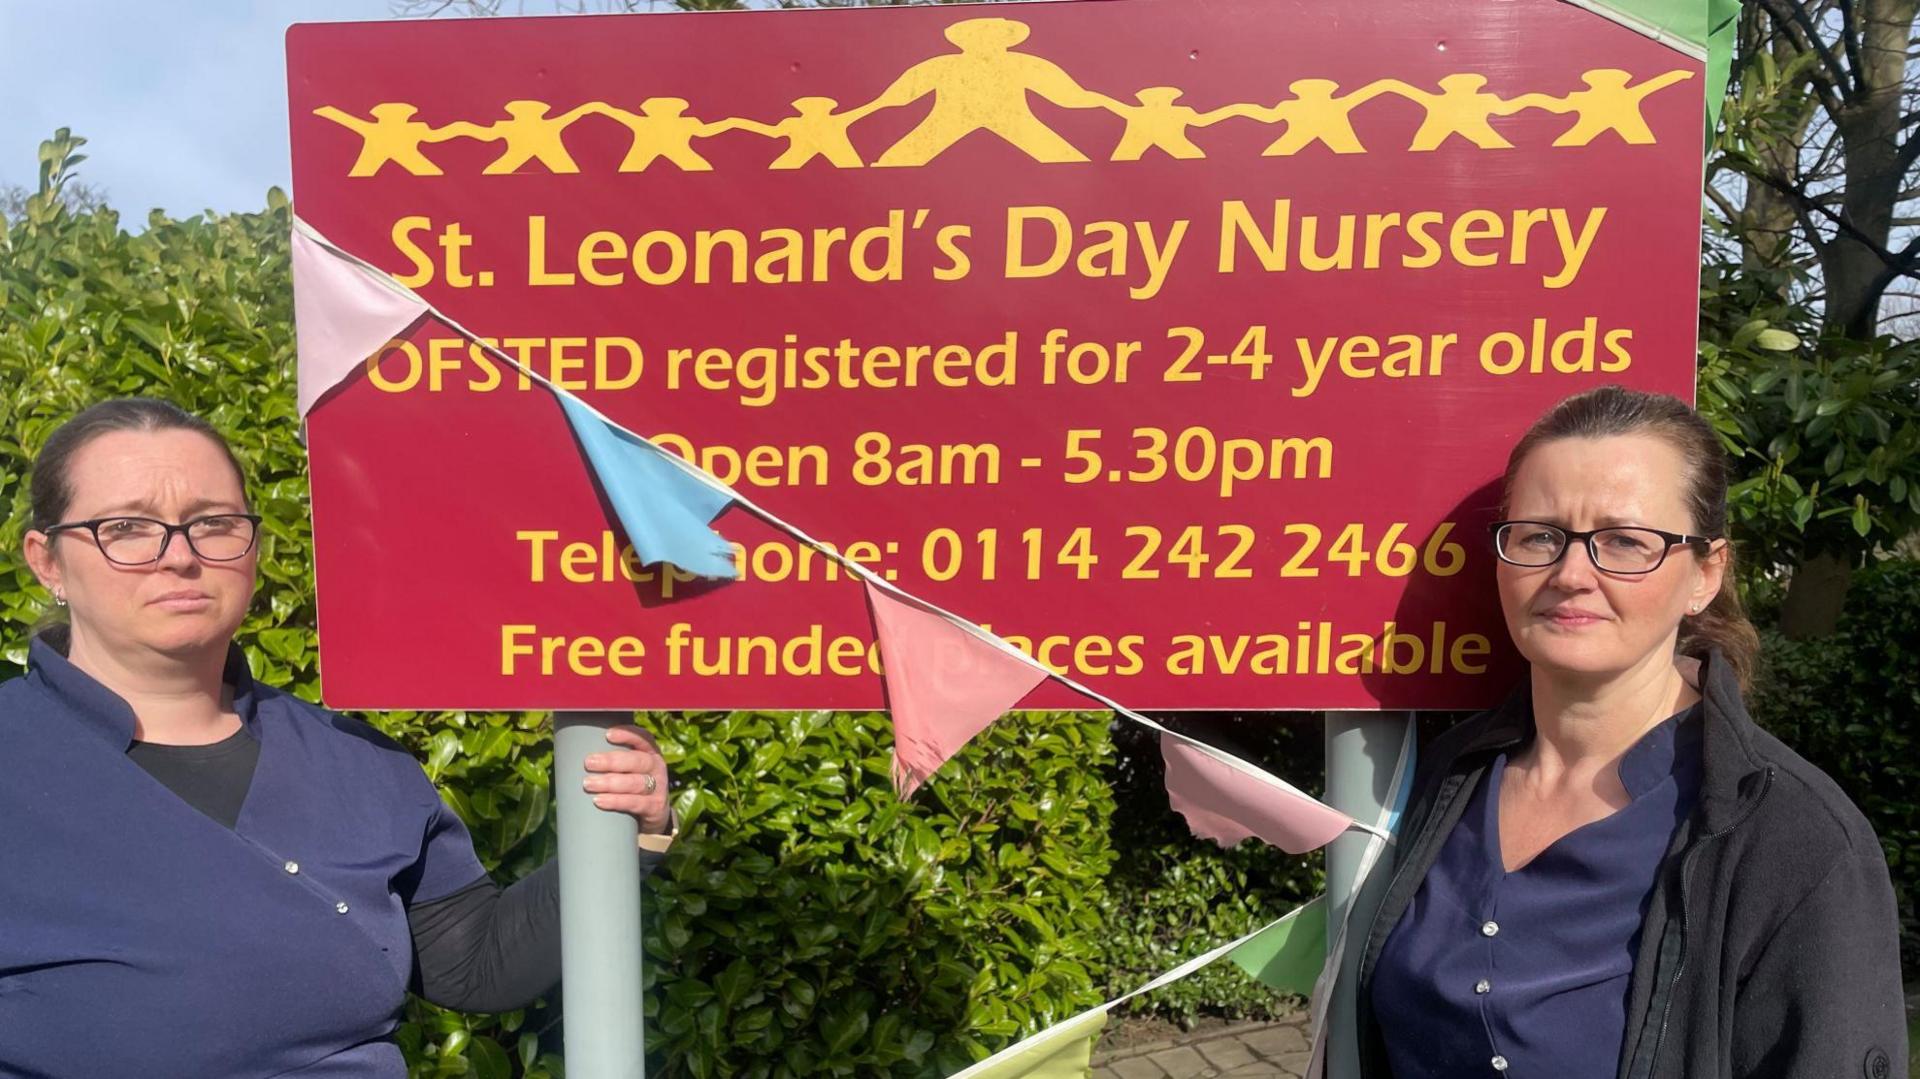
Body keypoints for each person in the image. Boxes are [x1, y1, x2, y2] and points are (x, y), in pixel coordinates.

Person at [0, 398, 676, 1078]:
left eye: (213, 523)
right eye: (127, 527)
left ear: (254, 547)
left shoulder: (353, 759)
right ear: (48, 560)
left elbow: (475, 961)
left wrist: (629, 835)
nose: (179, 556)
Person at [1355, 386, 1907, 1078]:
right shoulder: (1448, 778)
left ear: (1705, 573)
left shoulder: (1796, 843)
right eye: (1538, 536)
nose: (1570, 574)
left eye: (1624, 541)